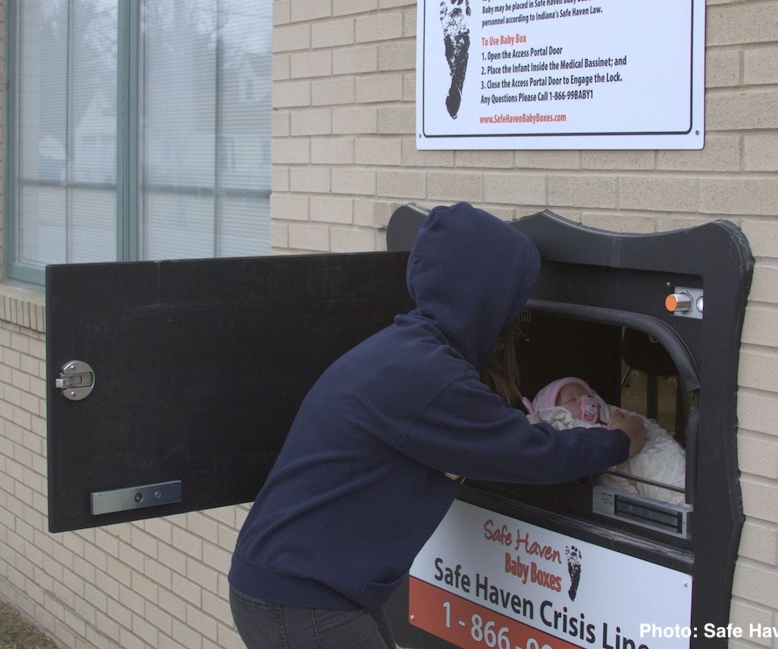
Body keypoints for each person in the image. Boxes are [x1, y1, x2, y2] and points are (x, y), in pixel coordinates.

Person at [227, 202, 647, 649]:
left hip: (306, 585)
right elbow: (527, 453)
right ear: (483, 296)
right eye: (514, 304)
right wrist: (618, 441)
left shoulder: (408, 348)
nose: (517, 318)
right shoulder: (425, 375)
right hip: (303, 597)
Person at [526, 377, 686, 504]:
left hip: (635, 477)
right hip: (610, 489)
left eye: (587, 396)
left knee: (660, 466)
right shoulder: (568, 429)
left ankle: (678, 495)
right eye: (571, 401)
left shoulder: (609, 418)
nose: (584, 402)